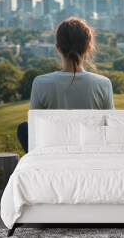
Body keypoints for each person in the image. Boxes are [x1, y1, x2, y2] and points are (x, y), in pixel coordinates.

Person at [17, 17, 114, 152]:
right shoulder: (104, 84)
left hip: (53, 155)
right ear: (88, 46)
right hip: (91, 155)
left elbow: (34, 130)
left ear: (58, 47)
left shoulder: (41, 83)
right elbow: (110, 130)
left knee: (24, 128)